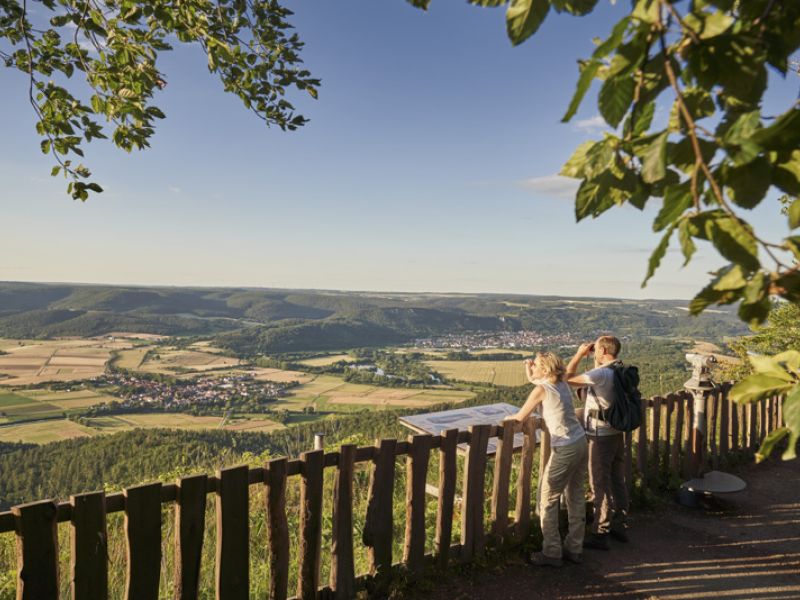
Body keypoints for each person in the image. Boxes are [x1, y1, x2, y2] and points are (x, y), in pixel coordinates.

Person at [505, 352, 587, 567]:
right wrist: (529, 369)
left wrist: (505, 420)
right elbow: (536, 380)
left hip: (566, 447)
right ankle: (574, 548)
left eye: (537, 366)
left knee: (547, 499)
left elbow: (520, 417)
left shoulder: (541, 390)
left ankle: (551, 552)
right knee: (576, 495)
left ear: (545, 370)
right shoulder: (560, 384)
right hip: (580, 442)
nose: (533, 369)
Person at [566, 335, 629, 550]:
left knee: (599, 483)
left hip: (600, 436)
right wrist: (595, 359)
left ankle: (600, 532)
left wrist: (578, 355)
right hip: (616, 432)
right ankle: (620, 524)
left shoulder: (601, 374)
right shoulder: (618, 368)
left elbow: (566, 377)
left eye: (596, 350)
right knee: (617, 479)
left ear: (602, 351)